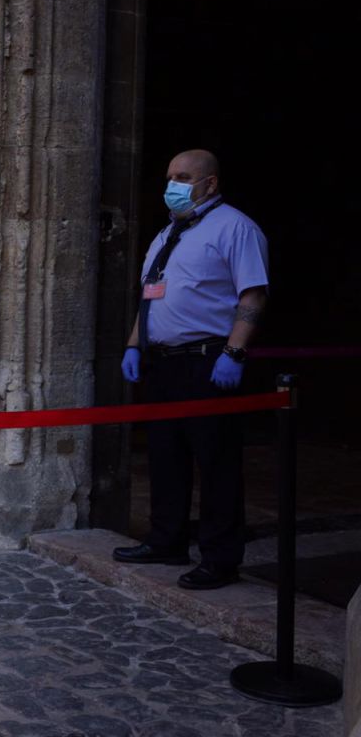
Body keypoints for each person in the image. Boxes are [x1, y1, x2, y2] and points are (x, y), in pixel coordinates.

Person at [113, 149, 269, 590]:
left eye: (182, 177)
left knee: (216, 461)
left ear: (210, 183)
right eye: (169, 177)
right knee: (165, 456)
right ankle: (167, 540)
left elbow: (253, 295)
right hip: (162, 361)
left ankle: (220, 558)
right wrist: (134, 345)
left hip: (208, 360)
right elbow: (150, 295)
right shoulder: (168, 233)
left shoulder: (235, 228)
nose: (172, 186)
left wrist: (234, 353)